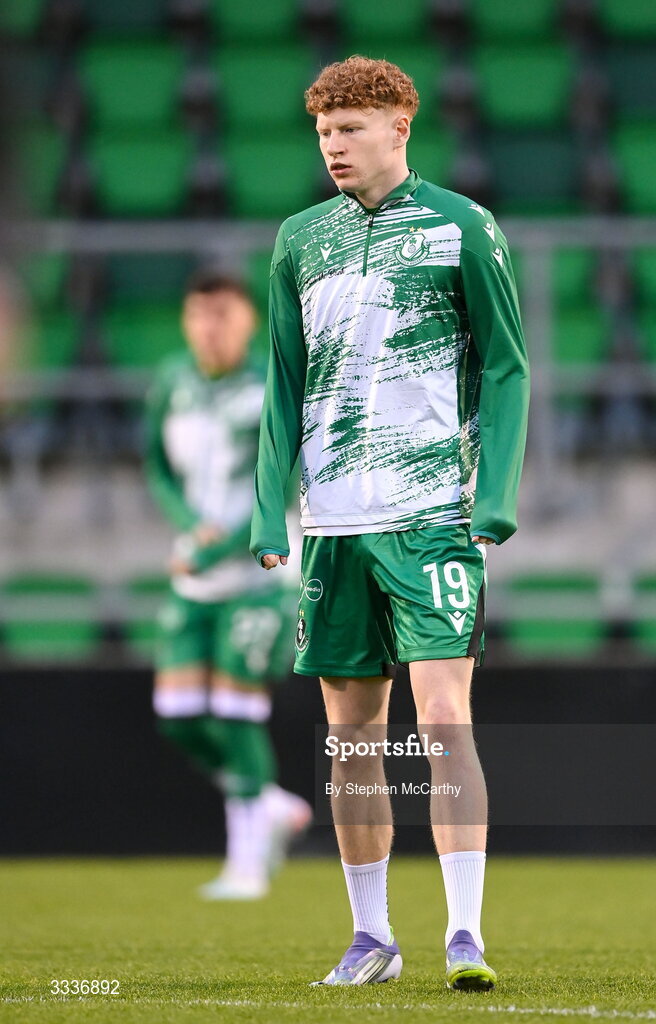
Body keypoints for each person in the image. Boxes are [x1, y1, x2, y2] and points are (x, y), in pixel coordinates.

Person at [250, 57, 529, 987]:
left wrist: (494, 495)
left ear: (400, 128)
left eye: (353, 129)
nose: (335, 146)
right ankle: (372, 937)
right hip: (331, 522)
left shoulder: (459, 225)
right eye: (325, 132)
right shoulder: (299, 239)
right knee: (351, 740)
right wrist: (268, 503)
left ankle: (465, 934)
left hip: (432, 515)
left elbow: (506, 366)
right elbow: (283, 384)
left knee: (444, 719)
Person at [145, 270, 311, 901]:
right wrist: (190, 528)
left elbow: (292, 473)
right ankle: (266, 802)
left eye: (223, 315)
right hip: (197, 576)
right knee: (179, 717)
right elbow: (157, 467)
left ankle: (247, 864)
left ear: (246, 321)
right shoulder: (172, 383)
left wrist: (229, 536)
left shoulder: (270, 381)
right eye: (199, 315)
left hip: (259, 573)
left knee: (236, 712)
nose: (210, 328)